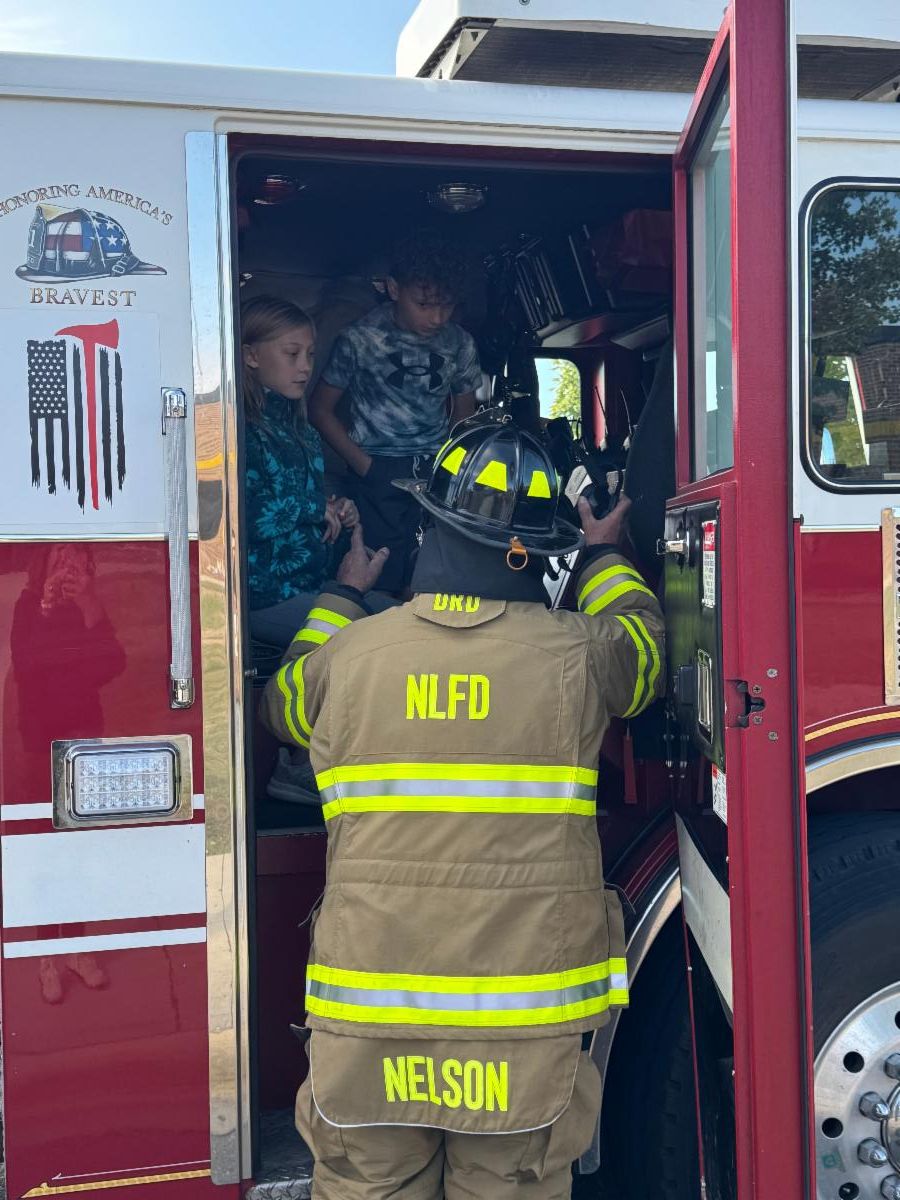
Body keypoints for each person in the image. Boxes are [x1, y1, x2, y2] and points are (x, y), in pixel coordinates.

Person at [260, 420, 665, 1200]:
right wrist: (602, 554)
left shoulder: (347, 659)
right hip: (521, 1028)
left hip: (371, 1018)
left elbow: (282, 705)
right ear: (537, 548)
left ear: (429, 527)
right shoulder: (582, 655)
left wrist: (343, 594)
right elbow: (645, 651)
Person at [309, 230, 482, 594]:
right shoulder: (359, 339)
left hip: (436, 472)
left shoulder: (460, 343)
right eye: (424, 304)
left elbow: (465, 417)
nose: (437, 317)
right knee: (378, 575)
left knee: (433, 575)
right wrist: (367, 467)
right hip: (376, 469)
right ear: (393, 288)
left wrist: (450, 468)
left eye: (447, 305)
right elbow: (320, 409)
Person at [241, 295, 362, 650]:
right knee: (374, 636)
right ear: (251, 356)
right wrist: (313, 507)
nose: (306, 367)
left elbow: (305, 507)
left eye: (310, 355)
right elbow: (242, 515)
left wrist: (338, 512)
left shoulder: (303, 431)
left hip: (311, 585)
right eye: (292, 354)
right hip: (264, 596)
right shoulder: (240, 430)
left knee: (398, 617)